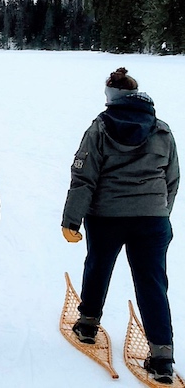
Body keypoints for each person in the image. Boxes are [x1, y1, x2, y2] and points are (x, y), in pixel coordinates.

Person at [62, 68, 179, 384]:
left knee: (99, 266)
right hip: (153, 221)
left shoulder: (100, 128)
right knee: (153, 283)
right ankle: (162, 358)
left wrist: (71, 220)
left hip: (107, 217)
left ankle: (87, 324)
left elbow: (84, 177)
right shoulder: (162, 130)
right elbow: (172, 178)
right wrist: (159, 213)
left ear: (112, 96)